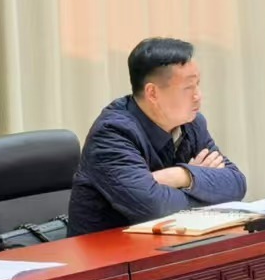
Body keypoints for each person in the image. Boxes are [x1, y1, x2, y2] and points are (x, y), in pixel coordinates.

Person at [67, 37, 247, 237]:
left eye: (198, 84)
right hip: (106, 252)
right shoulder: (112, 133)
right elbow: (154, 209)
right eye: (188, 87)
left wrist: (181, 176)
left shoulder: (192, 123)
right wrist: (203, 185)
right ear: (152, 93)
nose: (198, 96)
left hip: (170, 245)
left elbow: (236, 184)